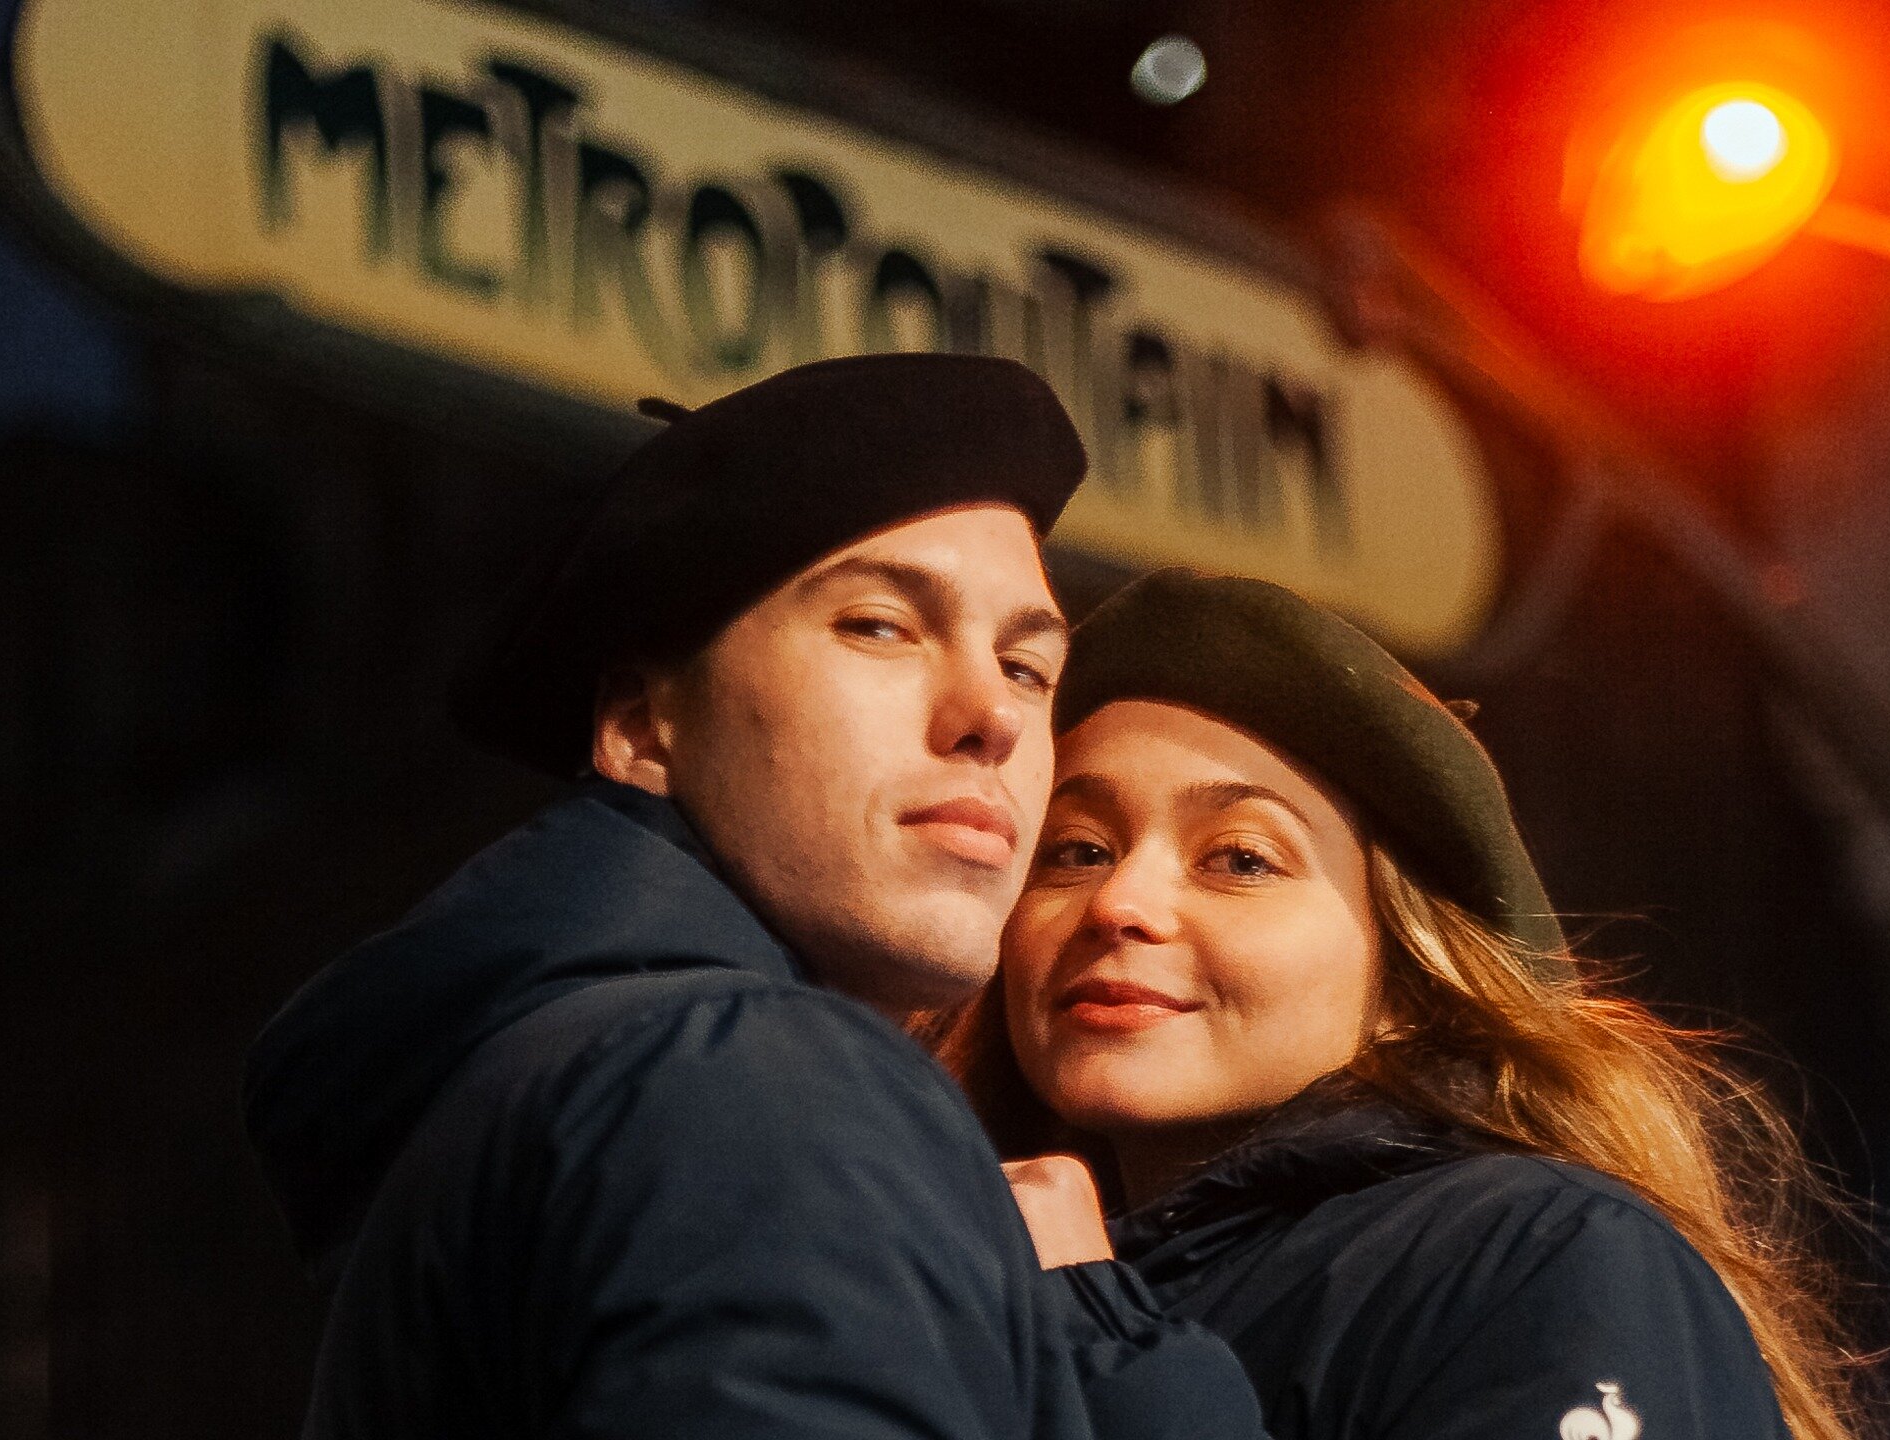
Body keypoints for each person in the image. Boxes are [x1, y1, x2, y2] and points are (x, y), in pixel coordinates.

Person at [243, 357, 1267, 1440]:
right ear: (641, 729)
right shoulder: (753, 1069)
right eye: (878, 625)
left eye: (1025, 665)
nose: (992, 716)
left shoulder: (582, 1078)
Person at [944, 567, 1882, 1440]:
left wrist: (1086, 1334)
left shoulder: (1536, 1260)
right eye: (1074, 850)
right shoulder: (947, 1259)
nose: (1120, 904)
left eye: (1240, 859)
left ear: (1409, 977)